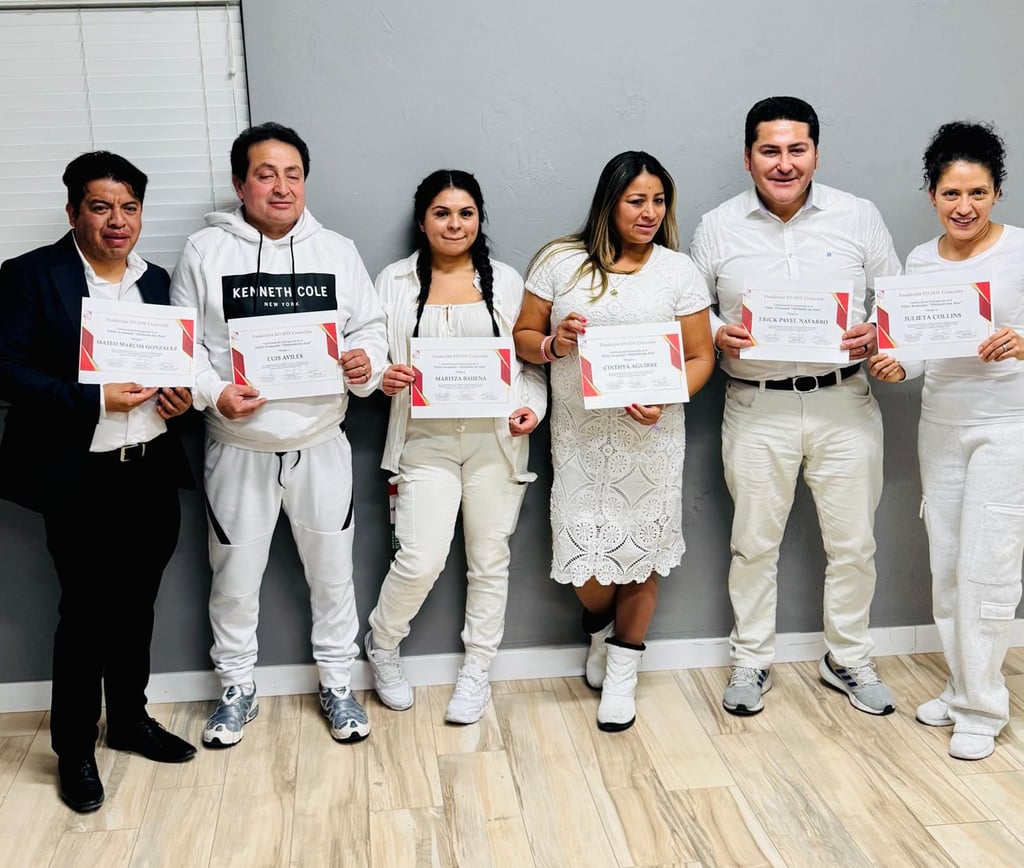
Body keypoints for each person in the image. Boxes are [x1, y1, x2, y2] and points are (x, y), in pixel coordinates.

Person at [170, 122, 387, 747]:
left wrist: (362, 361)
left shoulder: (337, 251)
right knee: (233, 578)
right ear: (241, 183)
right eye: (266, 174)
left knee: (333, 573)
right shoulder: (205, 253)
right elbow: (183, 349)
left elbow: (370, 329)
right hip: (238, 447)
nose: (281, 186)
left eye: (293, 174)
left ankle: (338, 682)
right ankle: (236, 688)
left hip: (321, 443)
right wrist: (215, 393)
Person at [690, 96, 902, 717]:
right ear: (749, 156)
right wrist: (713, 330)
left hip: (845, 401)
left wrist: (875, 332)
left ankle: (848, 658)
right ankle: (751, 661)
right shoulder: (716, 225)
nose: (784, 164)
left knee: (854, 543)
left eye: (796, 149)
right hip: (756, 406)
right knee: (752, 542)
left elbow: (892, 300)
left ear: (815, 151)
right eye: (770, 150)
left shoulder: (858, 216)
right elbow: (688, 304)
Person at [0, 152, 197, 813]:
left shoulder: (157, 279)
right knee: (85, 614)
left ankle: (131, 722)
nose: (118, 221)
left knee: (137, 605)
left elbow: (172, 363)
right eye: (101, 206)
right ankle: (75, 748)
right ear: (73, 212)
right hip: (78, 474)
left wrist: (176, 401)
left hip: (148, 469)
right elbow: (7, 373)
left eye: (129, 207)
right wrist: (92, 398)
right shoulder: (32, 276)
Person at [514, 151, 715, 732]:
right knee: (591, 571)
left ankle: (623, 673)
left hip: (651, 439)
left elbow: (701, 356)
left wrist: (669, 398)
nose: (649, 212)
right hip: (580, 441)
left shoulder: (678, 271)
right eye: (636, 200)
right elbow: (523, 337)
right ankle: (600, 630)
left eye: (658, 201)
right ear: (610, 201)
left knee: (642, 561)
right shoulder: (560, 262)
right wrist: (554, 343)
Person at [364, 170, 547, 724]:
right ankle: (382, 645)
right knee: (419, 559)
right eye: (442, 213)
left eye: (465, 213)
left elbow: (528, 366)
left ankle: (477, 670)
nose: (454, 223)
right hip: (424, 442)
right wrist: (381, 376)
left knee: (490, 562)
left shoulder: (508, 281)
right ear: (422, 221)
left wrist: (529, 408)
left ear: (479, 219)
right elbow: (371, 350)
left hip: (496, 441)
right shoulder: (393, 282)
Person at [869, 122, 1024, 760]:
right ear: (932, 193)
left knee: (989, 569)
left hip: (1007, 426)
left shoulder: (1020, 251)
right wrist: (895, 365)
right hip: (942, 426)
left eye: (979, 193)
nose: (965, 206)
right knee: (949, 566)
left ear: (996, 193)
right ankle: (965, 686)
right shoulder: (921, 261)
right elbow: (920, 352)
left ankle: (983, 710)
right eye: (952, 192)